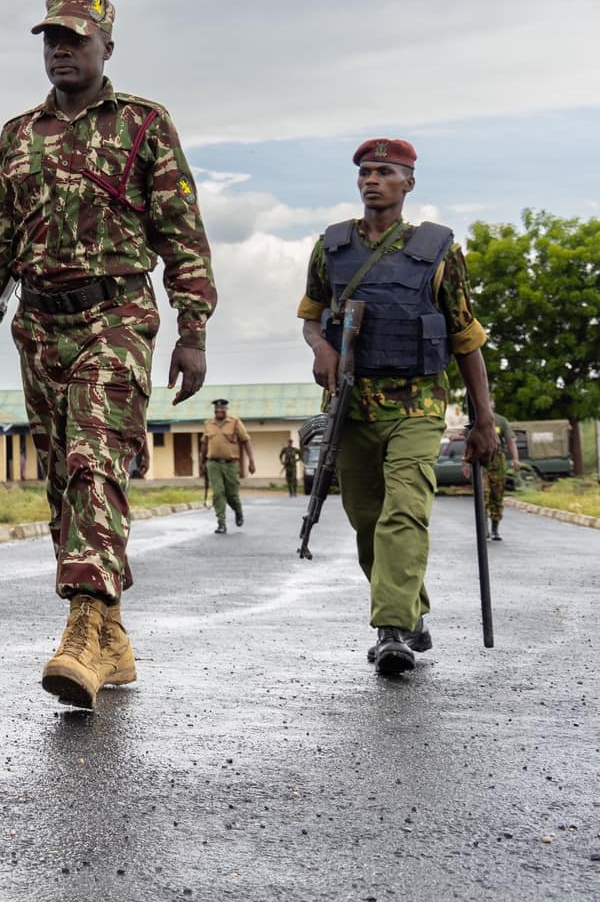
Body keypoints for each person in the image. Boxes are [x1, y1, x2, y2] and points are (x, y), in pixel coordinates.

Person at [0, 0, 215, 711]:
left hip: (117, 314)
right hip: (38, 326)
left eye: (75, 40)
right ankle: (115, 636)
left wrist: (192, 332)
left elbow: (182, 234)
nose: (61, 51)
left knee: (93, 457)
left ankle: (83, 627)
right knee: (65, 488)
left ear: (106, 48)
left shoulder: (143, 124)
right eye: (51, 40)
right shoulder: (17, 135)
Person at [298, 137, 496, 676]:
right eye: (365, 171)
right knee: (366, 520)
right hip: (351, 405)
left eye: (385, 172)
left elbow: (465, 336)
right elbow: (313, 316)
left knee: (403, 511)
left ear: (408, 183)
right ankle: (411, 611)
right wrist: (322, 347)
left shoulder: (438, 252)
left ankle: (391, 631)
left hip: (418, 405)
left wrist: (484, 420)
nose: (371, 180)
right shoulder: (331, 248)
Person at [202, 398, 255, 533]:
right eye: (217, 408)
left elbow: (246, 441)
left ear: (226, 409)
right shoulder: (209, 424)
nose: (219, 410)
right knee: (218, 493)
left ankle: (238, 511)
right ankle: (221, 524)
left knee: (232, 494)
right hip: (213, 464)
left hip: (231, 464)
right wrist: (203, 462)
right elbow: (204, 444)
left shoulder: (235, 423)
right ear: (214, 410)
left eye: (222, 408)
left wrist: (251, 461)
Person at [483, 411, 517, 541]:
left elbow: (510, 440)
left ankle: (495, 530)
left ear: (492, 403)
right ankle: (484, 530)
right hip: (481, 463)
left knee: (497, 496)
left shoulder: (501, 420)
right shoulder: (475, 418)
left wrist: (515, 459)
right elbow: (468, 441)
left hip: (498, 462)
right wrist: (465, 462)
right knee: (483, 496)